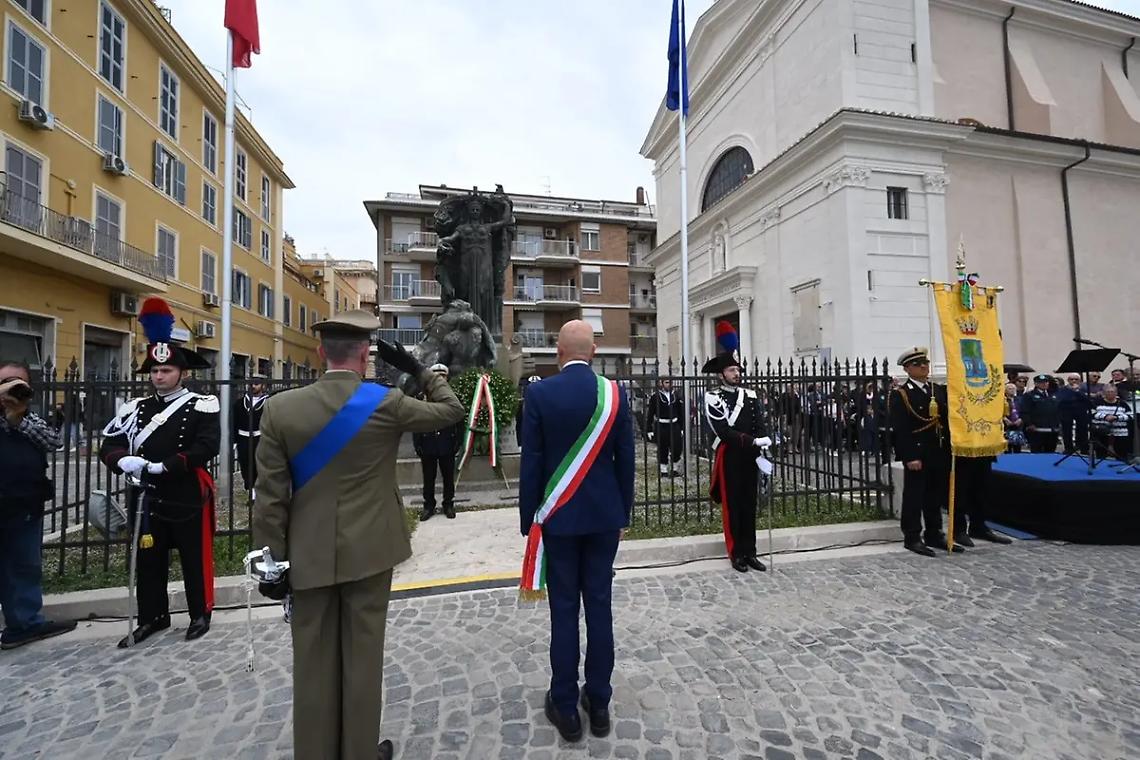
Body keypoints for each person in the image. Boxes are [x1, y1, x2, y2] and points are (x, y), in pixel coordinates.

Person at [253, 311, 464, 760]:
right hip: (369, 551)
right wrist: (418, 369)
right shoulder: (383, 402)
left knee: (311, 664)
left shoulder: (280, 408)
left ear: (319, 352)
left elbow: (270, 495)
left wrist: (272, 561)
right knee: (363, 660)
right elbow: (451, 410)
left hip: (306, 556)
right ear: (366, 355)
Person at [518, 320, 634, 743]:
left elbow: (531, 461)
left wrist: (529, 518)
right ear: (595, 351)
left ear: (558, 352)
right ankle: (599, 703)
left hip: (559, 520)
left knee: (564, 611)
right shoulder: (615, 394)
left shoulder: (539, 394)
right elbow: (627, 461)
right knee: (599, 608)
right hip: (604, 518)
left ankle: (566, 708)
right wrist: (624, 514)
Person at [99, 298, 220, 647]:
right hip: (146, 494)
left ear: (182, 373)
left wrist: (167, 465)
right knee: (148, 560)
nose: (159, 376)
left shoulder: (201, 404)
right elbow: (109, 443)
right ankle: (153, 616)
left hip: (184, 492)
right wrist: (123, 460)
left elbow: (206, 446)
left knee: (193, 558)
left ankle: (200, 613)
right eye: (154, 371)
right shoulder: (135, 408)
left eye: (166, 371)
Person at [0, 361, 76, 650]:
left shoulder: (29, 419)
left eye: (18, 383)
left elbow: (54, 441)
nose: (11, 387)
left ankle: (25, 624)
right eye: (5, 382)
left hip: (24, 504)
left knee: (24, 565)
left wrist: (17, 417)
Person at [703, 322, 771, 573]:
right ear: (722, 374)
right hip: (730, 456)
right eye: (732, 370)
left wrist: (764, 440)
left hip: (750, 457)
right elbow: (723, 431)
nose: (736, 373)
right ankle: (736, 553)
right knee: (733, 506)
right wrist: (751, 441)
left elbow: (759, 422)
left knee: (749, 503)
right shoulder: (713, 397)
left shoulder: (750, 396)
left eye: (737, 369)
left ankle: (751, 551)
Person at [888, 347, 961, 557]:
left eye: (926, 364)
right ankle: (912, 536)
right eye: (918, 364)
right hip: (918, 453)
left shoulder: (936, 390)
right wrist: (910, 456)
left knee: (935, 496)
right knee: (915, 496)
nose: (924, 367)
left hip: (938, 450)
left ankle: (934, 533)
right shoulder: (901, 394)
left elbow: (946, 421)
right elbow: (901, 429)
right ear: (907, 368)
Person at [413, 363, 461, 520]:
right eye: (436, 376)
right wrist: (417, 443)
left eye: (443, 376)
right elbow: (417, 421)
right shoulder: (421, 397)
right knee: (428, 478)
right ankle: (429, 506)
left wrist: (457, 442)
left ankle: (448, 504)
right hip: (428, 444)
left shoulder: (452, 397)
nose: (440, 379)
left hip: (447, 443)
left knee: (448, 477)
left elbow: (459, 421)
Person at [232, 374, 268, 499]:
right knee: (245, 464)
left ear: (263, 386)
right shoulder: (239, 403)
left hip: (260, 439)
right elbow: (233, 422)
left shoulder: (268, 403)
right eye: (251, 383)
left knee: (260, 465)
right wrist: (234, 441)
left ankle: (260, 491)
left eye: (256, 384)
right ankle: (251, 491)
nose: (253, 386)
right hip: (243, 439)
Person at [647, 377, 684, 477]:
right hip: (661, 425)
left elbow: (680, 412)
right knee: (663, 447)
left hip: (674, 424)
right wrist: (649, 429)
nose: (669, 384)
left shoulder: (676, 395)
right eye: (667, 382)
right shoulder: (655, 397)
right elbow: (650, 413)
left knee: (677, 447)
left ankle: (675, 469)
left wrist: (682, 428)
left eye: (670, 382)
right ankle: (663, 470)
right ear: (661, 383)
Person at [1019, 373, 1061, 453]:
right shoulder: (1029, 395)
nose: (1044, 384)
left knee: (1050, 452)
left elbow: (1058, 410)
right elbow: (1024, 411)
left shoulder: (1052, 395)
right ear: (1036, 383)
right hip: (1037, 430)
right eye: (1041, 382)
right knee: (1037, 453)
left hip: (1052, 430)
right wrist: (1029, 424)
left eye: (1046, 382)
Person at [1091, 384, 1133, 461]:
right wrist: (1105, 417)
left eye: (1112, 391)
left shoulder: (1123, 403)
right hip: (1101, 432)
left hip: (1120, 433)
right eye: (1108, 392)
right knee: (1100, 454)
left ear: (1116, 393)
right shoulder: (1097, 402)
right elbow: (1091, 413)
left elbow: (1130, 416)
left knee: (1122, 455)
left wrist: (1116, 417)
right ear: (1103, 393)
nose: (1110, 393)